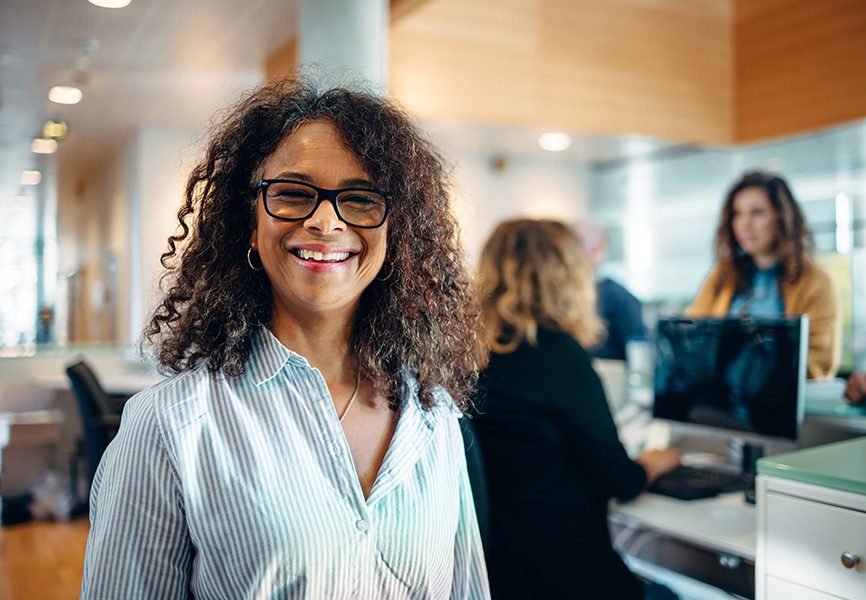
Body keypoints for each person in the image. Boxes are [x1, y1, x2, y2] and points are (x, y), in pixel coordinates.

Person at [81, 78, 489, 598]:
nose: (324, 221)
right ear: (248, 223)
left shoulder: (431, 414)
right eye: (293, 194)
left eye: (360, 199)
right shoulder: (170, 427)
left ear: (395, 232)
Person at [473, 219, 681, 600]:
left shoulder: (470, 360)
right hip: (568, 576)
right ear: (566, 277)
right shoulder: (558, 357)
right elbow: (618, 478)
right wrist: (656, 461)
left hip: (501, 575)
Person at [686, 171, 841, 380]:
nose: (745, 223)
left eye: (757, 212)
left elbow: (818, 365)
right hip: (721, 404)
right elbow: (691, 341)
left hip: (777, 405)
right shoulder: (722, 276)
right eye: (737, 213)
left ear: (782, 217)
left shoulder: (816, 281)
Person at [574, 219, 647, 360]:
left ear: (597, 249)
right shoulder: (564, 298)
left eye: (576, 245)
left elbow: (638, 359)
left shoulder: (620, 299)